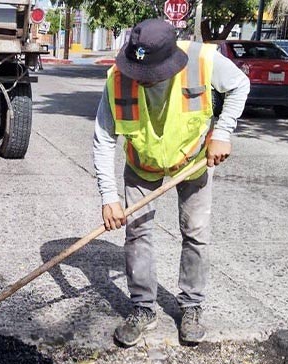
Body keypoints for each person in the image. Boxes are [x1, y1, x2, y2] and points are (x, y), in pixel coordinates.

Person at [92, 19, 250, 346]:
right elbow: (104, 139)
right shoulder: (117, 78)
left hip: (192, 163)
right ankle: (143, 308)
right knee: (137, 232)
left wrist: (222, 133)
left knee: (196, 233)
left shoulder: (204, 62)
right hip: (142, 163)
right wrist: (109, 197)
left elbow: (240, 84)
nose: (143, 81)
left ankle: (191, 306)